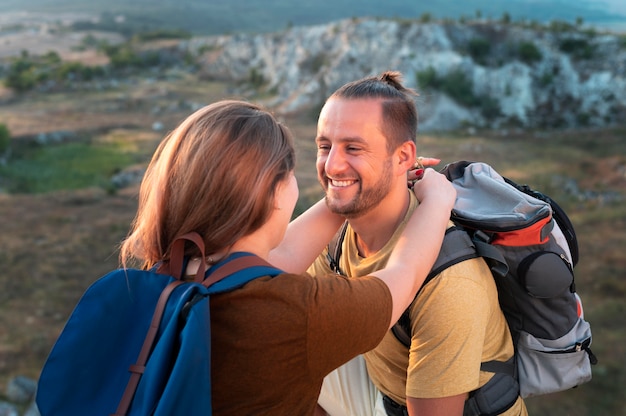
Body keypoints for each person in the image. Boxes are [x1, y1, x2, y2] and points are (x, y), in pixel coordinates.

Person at [119, 99, 456, 414]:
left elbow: (284, 255)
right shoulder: (293, 312)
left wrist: (359, 182)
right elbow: (405, 276)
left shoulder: (167, 280)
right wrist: (439, 199)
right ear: (273, 193)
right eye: (289, 174)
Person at [309, 72, 528, 416]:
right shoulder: (339, 239)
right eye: (325, 146)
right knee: (272, 358)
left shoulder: (450, 282)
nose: (332, 163)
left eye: (353, 147)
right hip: (385, 393)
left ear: (402, 157)